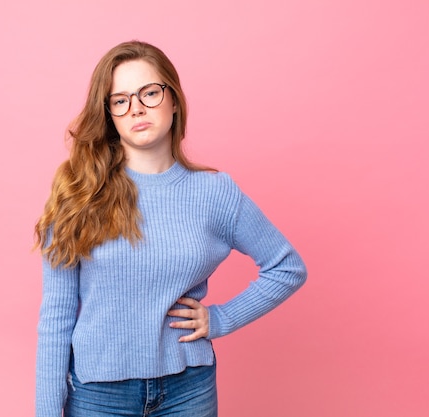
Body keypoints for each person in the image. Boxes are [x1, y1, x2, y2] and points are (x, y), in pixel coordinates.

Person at [34, 40, 307, 417]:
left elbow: (287, 267)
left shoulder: (215, 192)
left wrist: (221, 318)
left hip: (188, 388)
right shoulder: (79, 192)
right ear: (109, 114)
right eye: (121, 100)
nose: (137, 109)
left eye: (149, 92)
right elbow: (56, 316)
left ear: (174, 100)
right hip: (99, 395)